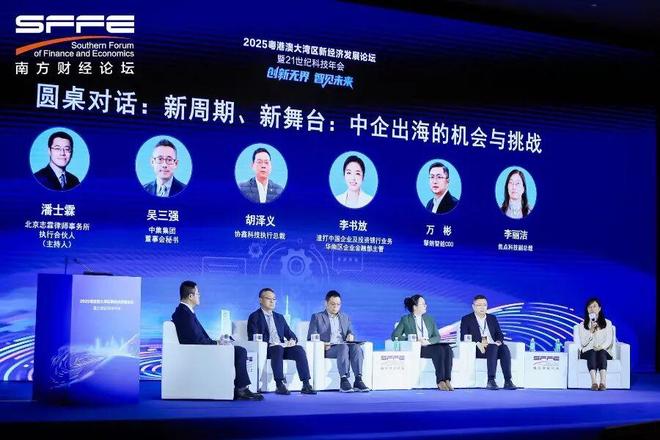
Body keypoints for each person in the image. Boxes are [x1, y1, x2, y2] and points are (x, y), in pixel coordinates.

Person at [170, 280, 264, 401]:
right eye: (198, 293)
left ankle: (241, 388)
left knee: (237, 349)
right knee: (240, 351)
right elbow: (197, 340)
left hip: (199, 349)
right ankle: (241, 389)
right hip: (198, 352)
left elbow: (196, 337)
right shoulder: (184, 314)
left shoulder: (184, 312)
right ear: (190, 296)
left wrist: (217, 342)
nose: (200, 296)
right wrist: (217, 343)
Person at [247, 288, 316, 395]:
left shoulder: (279, 317)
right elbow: (253, 337)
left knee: (299, 349)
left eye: (274, 299)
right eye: (268, 298)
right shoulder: (254, 317)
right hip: (267, 349)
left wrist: (292, 340)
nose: (272, 301)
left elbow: (290, 334)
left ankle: (306, 384)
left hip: (281, 348)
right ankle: (279, 384)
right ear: (260, 300)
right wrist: (271, 344)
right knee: (277, 348)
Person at [307, 290, 370, 392]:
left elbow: (350, 331)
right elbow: (311, 336)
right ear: (326, 303)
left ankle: (358, 380)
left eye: (338, 304)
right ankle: (343, 380)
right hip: (328, 348)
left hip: (343, 346)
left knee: (356, 347)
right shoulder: (317, 317)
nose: (335, 307)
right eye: (333, 304)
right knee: (343, 346)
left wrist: (350, 335)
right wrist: (323, 344)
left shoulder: (345, 317)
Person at [392, 295, 454, 391]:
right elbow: (395, 336)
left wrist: (428, 341)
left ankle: (447, 379)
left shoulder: (429, 319)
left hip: (429, 344)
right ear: (415, 307)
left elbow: (437, 336)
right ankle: (440, 381)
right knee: (439, 350)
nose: (426, 306)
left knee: (447, 348)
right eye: (423, 304)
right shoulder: (405, 319)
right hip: (418, 348)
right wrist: (414, 339)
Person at [460, 295, 517, 390]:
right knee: (493, 347)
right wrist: (477, 343)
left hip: (494, 347)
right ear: (473, 307)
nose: (482, 307)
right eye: (479, 305)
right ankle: (491, 380)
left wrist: (498, 342)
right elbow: (464, 336)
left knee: (504, 348)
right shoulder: (466, 319)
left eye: (484, 305)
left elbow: (499, 334)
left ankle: (508, 381)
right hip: (478, 349)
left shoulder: (492, 318)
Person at [576, 298, 614, 391]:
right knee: (592, 352)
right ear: (587, 310)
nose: (592, 309)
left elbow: (609, 340)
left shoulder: (608, 323)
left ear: (599, 308)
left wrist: (601, 347)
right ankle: (594, 382)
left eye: (594, 306)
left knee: (601, 352)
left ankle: (603, 382)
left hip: (603, 351)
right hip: (588, 352)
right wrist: (591, 331)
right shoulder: (582, 325)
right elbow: (583, 343)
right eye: (589, 307)